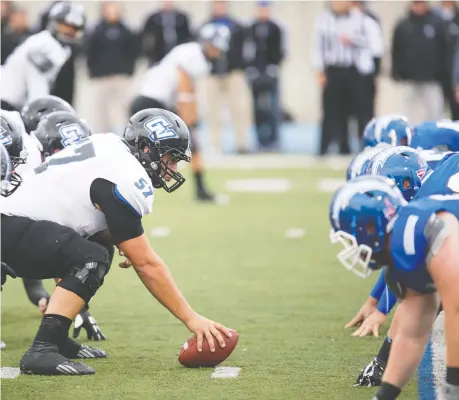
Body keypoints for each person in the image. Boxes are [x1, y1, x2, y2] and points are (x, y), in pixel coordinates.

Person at [1, 108, 233, 375]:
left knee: (99, 249)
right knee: (91, 256)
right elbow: (146, 264)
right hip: (9, 225)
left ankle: (56, 337)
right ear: (146, 148)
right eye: (170, 159)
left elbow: (80, 210)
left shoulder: (110, 147)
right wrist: (192, 319)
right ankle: (42, 349)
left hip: (13, 220)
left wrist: (121, 241)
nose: (173, 169)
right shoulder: (125, 175)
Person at [329, 173, 459, 400]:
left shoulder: (421, 229)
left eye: (351, 237)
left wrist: (452, 388)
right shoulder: (403, 247)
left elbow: (456, 309)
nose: (352, 246)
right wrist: (384, 396)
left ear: (370, 226)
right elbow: (412, 332)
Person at [131, 23, 231, 202]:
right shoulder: (195, 57)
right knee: (147, 152)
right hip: (151, 102)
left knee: (152, 151)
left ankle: (200, 188)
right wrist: (189, 120)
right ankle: (199, 189)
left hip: (154, 102)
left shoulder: (192, 52)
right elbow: (185, 91)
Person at [312, 1, 383, 155]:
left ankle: (367, 149)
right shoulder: (324, 20)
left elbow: (376, 45)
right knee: (333, 111)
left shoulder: (363, 20)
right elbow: (318, 47)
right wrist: (318, 70)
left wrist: (354, 40)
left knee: (362, 113)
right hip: (333, 70)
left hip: (356, 71)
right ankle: (333, 148)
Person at [0, 2, 85, 112]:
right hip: (8, 101)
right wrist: (39, 110)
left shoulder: (62, 48)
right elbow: (36, 81)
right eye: (64, 26)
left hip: (15, 101)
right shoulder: (45, 44)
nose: (67, 32)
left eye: (73, 28)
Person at [204, 0, 251, 154]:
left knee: (239, 108)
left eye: (222, 3)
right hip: (212, 74)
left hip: (233, 73)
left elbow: (244, 49)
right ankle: (215, 145)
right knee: (213, 111)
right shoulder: (206, 26)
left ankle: (241, 143)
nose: (220, 6)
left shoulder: (236, 26)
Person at [85, 2, 139, 134]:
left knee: (123, 110)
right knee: (101, 111)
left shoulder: (126, 30)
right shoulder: (96, 30)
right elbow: (89, 52)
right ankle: (101, 135)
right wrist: (94, 71)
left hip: (121, 76)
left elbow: (134, 50)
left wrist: (128, 69)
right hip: (102, 77)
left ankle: (125, 135)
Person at [391, 1, 447, 124]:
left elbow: (444, 50)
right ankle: (408, 138)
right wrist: (396, 71)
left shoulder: (437, 24)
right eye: (416, 3)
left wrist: (443, 73)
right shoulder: (403, 25)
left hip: (432, 77)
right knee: (408, 112)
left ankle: (434, 139)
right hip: (409, 77)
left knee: (435, 111)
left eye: (421, 3)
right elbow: (396, 49)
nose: (418, 7)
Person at [245, 1, 285, 152]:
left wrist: (274, 66)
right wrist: (250, 68)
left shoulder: (276, 28)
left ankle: (274, 140)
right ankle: (260, 140)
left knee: (273, 108)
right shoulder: (251, 28)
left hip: (271, 72)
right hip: (255, 73)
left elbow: (281, 50)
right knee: (257, 109)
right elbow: (247, 50)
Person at [140, 0, 192, 66]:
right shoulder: (153, 18)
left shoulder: (181, 18)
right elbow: (145, 37)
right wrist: (149, 54)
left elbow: (188, 37)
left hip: (178, 54)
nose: (167, 3)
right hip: (158, 56)